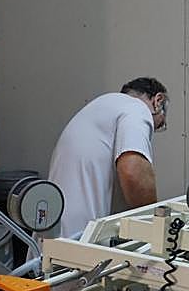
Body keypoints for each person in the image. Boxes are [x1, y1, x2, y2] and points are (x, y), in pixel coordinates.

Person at [48, 77, 168, 237]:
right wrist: (156, 224)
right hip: (78, 238)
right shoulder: (137, 109)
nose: (154, 129)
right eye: (159, 125)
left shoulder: (102, 106)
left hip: (51, 228)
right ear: (158, 101)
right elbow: (133, 173)